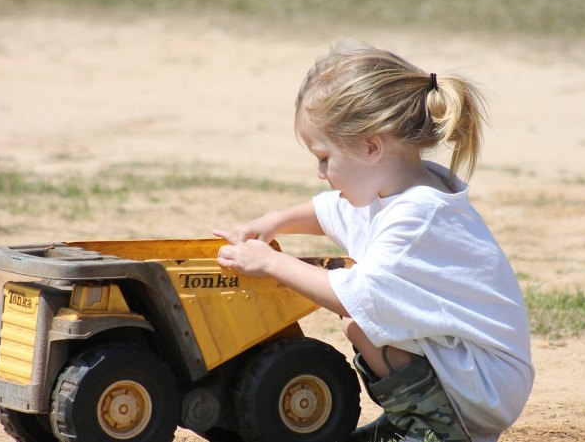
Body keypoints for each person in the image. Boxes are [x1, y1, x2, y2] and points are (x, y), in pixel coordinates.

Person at [214, 40, 534, 442]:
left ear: (371, 146)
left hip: (483, 384)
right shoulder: (402, 187)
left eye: (324, 157)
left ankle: (436, 430)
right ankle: (416, 419)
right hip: (475, 372)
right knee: (364, 323)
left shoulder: (416, 217)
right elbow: (332, 211)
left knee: (361, 320)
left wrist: (271, 263)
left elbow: (355, 297)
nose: (320, 172)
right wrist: (273, 222)